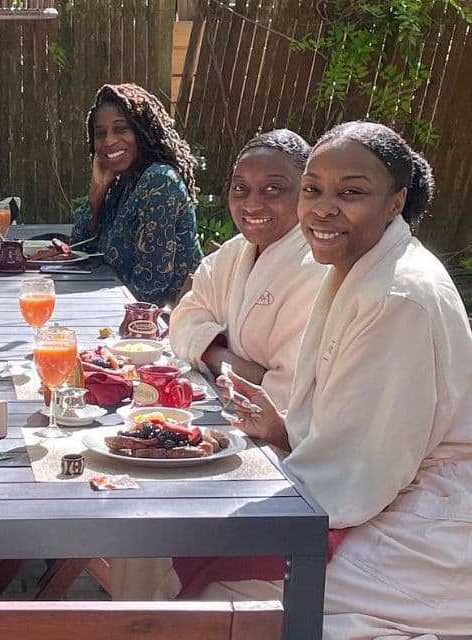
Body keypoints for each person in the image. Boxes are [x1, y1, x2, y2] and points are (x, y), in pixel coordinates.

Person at [217, 122, 472, 639]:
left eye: (351, 192)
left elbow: (361, 472)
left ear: (396, 201)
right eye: (313, 189)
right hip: (382, 492)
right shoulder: (361, 267)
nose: (322, 208)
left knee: (228, 599)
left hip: (425, 526)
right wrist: (285, 430)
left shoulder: (396, 296)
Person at [169, 129, 327, 410]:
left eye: (272, 189)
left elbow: (288, 391)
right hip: (225, 408)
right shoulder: (233, 253)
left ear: (306, 192)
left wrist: (206, 348)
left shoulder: (317, 268)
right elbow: (183, 321)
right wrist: (220, 356)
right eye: (240, 188)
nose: (252, 204)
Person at [70, 83, 203, 304]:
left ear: (142, 130)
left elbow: (151, 287)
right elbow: (79, 250)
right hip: (123, 306)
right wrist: (96, 194)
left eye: (121, 129)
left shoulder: (159, 181)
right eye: (100, 134)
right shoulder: (125, 182)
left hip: (164, 323)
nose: (109, 141)